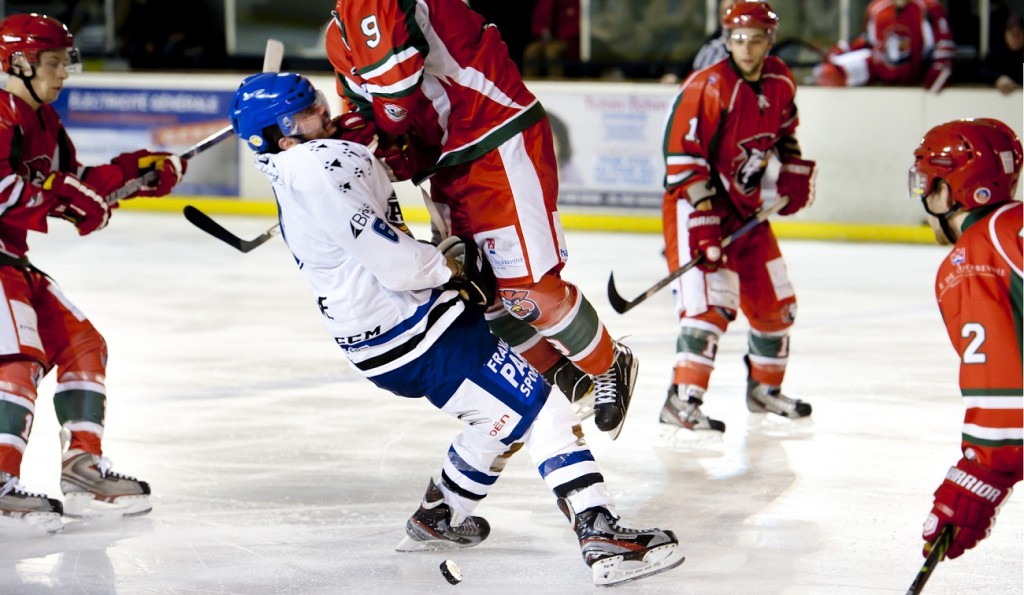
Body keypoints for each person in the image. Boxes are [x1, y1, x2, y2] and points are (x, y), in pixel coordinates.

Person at [227, 71, 685, 586]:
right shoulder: (312, 166)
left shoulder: (302, 162)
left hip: (391, 334)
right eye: (311, 111)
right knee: (543, 406)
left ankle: (441, 516)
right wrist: (448, 266)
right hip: (416, 330)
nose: (326, 113)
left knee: (496, 416)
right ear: (284, 136)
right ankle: (601, 534)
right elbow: (395, 264)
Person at [325, 0, 638, 439]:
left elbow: (394, 101)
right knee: (480, 292)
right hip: (448, 161)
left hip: (496, 139)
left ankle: (609, 363)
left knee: (528, 290)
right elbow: (369, 118)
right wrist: (358, 141)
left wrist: (372, 140)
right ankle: (568, 377)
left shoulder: (371, 4)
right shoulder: (337, 35)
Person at [0, 13, 187, 532]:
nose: (63, 74)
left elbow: (73, 180)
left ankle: (82, 469)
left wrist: (137, 172)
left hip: (10, 256)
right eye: (53, 63)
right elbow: (9, 190)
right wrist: (67, 198)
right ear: (19, 62)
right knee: (18, 360)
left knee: (83, 343)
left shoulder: (42, 119)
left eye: (65, 62)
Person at [657, 0, 814, 434]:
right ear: (727, 40)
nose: (747, 48)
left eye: (756, 39)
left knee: (776, 304)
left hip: (746, 210)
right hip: (697, 207)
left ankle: (764, 390)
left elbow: (785, 130)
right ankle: (681, 400)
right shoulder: (707, 86)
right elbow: (681, 157)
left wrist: (794, 170)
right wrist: (705, 219)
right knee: (710, 306)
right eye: (739, 39)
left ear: (770, 41)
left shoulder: (780, 79)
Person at [908, 118, 1022, 562]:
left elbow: (1006, 398)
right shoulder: (1015, 224)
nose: (923, 197)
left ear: (951, 189)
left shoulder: (974, 256)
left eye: (927, 183)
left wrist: (980, 473)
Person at [813, 0, 955, 93]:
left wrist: (939, 67)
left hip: (914, 75)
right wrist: (843, 50)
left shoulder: (929, 8)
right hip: (880, 70)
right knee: (827, 74)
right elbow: (867, 40)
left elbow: (944, 43)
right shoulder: (877, 8)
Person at [522, 0, 581, 79]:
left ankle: (556, 83)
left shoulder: (574, 2)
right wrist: (541, 31)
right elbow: (538, 21)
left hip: (566, 39)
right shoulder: (545, 2)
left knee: (552, 51)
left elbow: (577, 26)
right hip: (545, 39)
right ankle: (528, 84)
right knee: (531, 51)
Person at [976, 13, 1023, 95]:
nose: (1015, 37)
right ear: (1005, 34)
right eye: (1012, 33)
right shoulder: (996, 55)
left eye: (1019, 33)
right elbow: (980, 71)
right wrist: (997, 79)